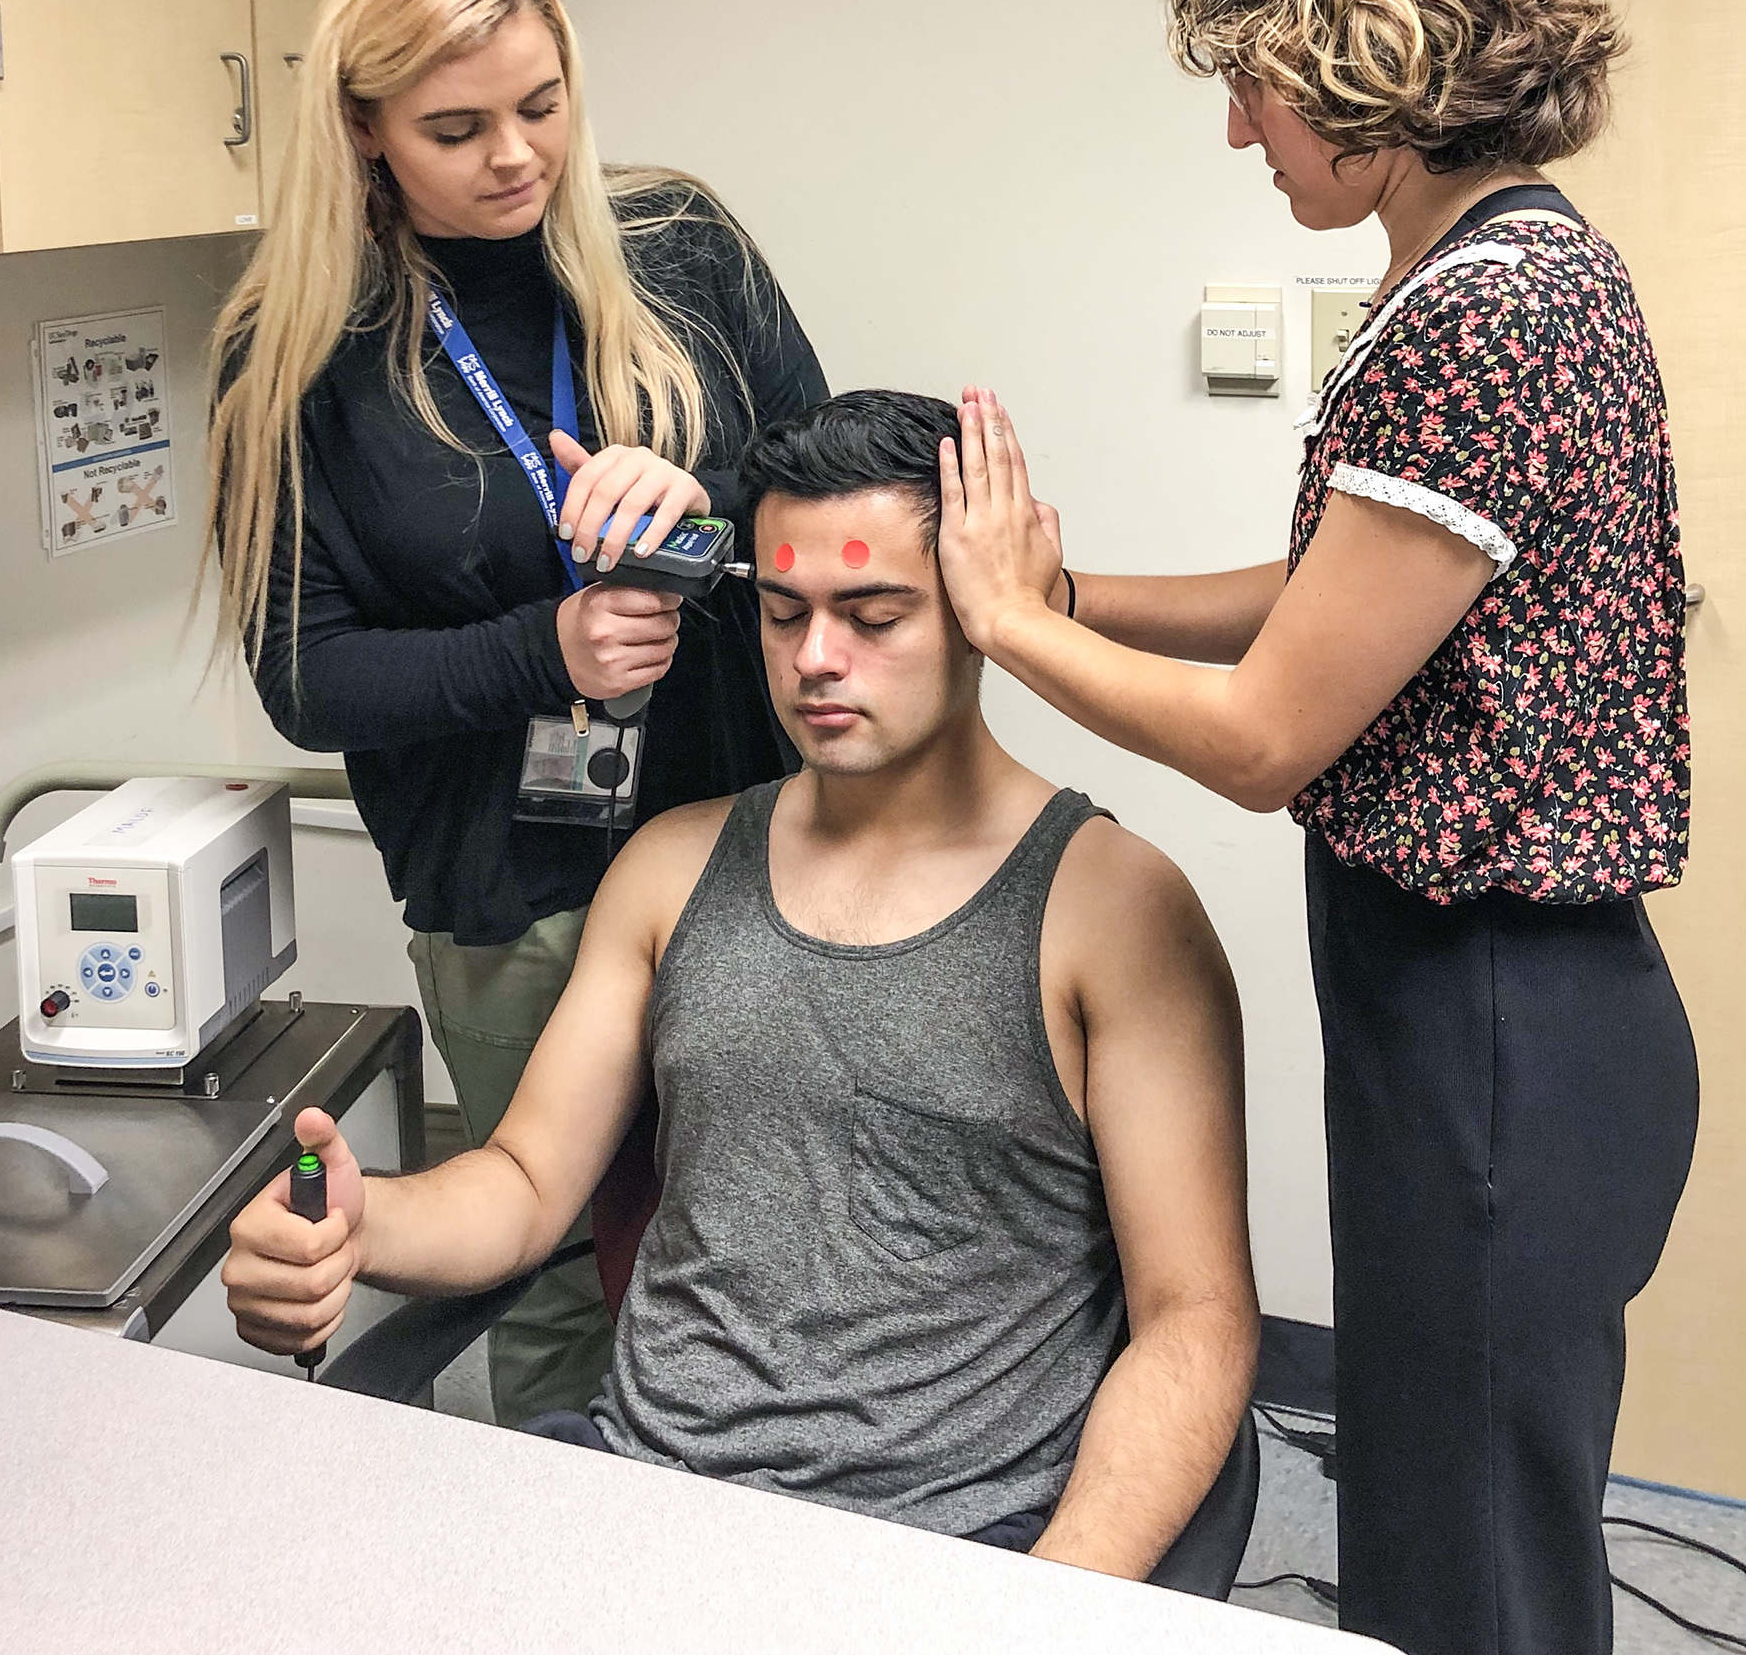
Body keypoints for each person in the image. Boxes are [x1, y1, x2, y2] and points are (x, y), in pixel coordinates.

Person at [932, 0, 1698, 1655]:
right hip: (1493, 1008)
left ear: (1370, 49)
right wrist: (1082, 591)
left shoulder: (1481, 320)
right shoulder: (1500, 271)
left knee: (1472, 1572)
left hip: (1498, 1022)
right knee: (1462, 1518)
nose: (1237, 128)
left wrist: (1010, 631)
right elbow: (1328, 602)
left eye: (1259, 81)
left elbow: (1272, 735)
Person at [222, 391, 1258, 1578]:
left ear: (984, 615)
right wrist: (359, 1224)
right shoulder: (672, 867)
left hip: (958, 1551)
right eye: (783, 613)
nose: (818, 657)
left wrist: (1058, 1596)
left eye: (874, 615)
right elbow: (521, 1184)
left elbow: (1196, 1317)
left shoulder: (1115, 910)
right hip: (645, 1507)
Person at [205, 0, 826, 1427]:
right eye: (455, 127)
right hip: (511, 899)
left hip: (752, 859)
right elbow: (309, 681)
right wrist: (536, 650)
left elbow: (840, 502)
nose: (514, 157)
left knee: (788, 1256)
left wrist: (700, 522)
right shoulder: (295, 350)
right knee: (556, 1280)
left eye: (542, 107)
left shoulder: (681, 248)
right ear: (361, 132)